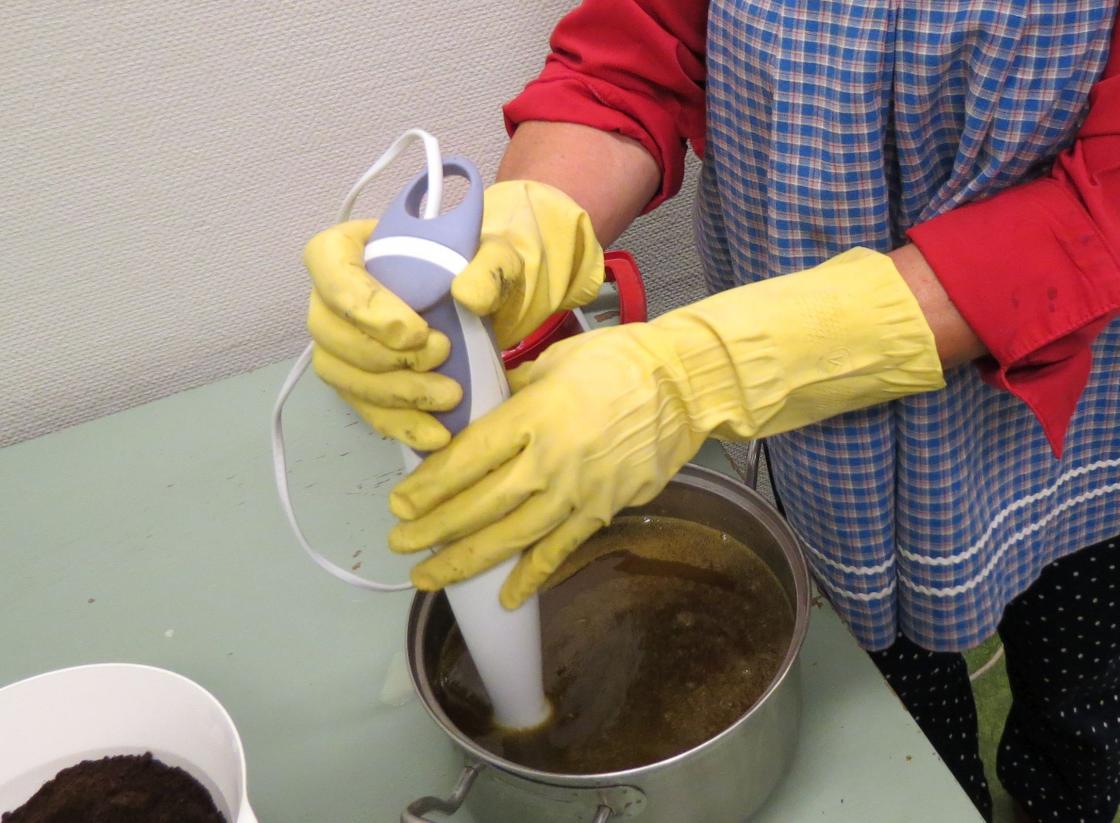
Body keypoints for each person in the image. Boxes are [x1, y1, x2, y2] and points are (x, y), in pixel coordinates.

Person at [303, 2, 1120, 820]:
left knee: (1083, 692)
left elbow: (1099, 209)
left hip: (1069, 409)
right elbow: (640, 46)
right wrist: (526, 228)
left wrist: (703, 372)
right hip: (833, 425)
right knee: (899, 707)